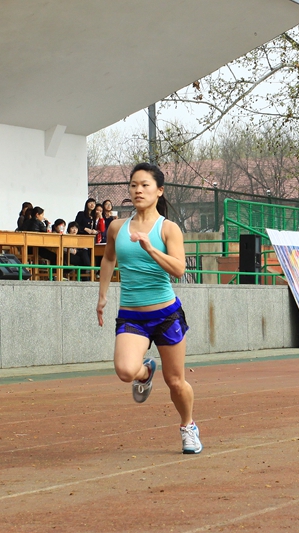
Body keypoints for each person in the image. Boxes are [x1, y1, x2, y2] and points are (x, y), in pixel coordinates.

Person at [96, 162, 201, 454]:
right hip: (132, 315)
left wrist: (150, 248)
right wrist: (102, 296)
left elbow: (179, 269)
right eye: (133, 185)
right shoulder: (117, 227)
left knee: (175, 381)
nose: (138, 190)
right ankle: (145, 373)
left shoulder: (168, 229)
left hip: (166, 315)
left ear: (159, 191)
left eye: (145, 185)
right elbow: (108, 259)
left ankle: (188, 426)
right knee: (125, 371)